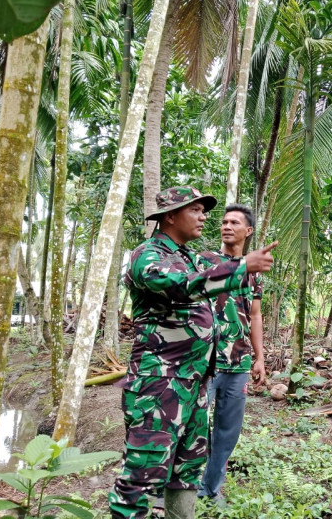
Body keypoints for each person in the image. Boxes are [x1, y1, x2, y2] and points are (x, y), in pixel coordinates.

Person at [108, 186, 277, 519]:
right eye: (196, 210)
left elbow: (218, 286)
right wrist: (243, 266)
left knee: (187, 468)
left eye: (204, 211)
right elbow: (183, 285)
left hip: (194, 382)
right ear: (171, 216)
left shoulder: (188, 256)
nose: (204, 218)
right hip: (159, 383)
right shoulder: (148, 254)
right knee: (142, 475)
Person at [197, 203, 266, 502]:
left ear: (248, 230)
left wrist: (260, 357)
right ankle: (178, 487)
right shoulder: (204, 261)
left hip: (238, 363)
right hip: (204, 361)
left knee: (227, 432)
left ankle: (211, 489)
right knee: (194, 425)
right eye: (224, 222)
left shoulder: (254, 271)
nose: (226, 226)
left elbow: (255, 315)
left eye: (234, 222)